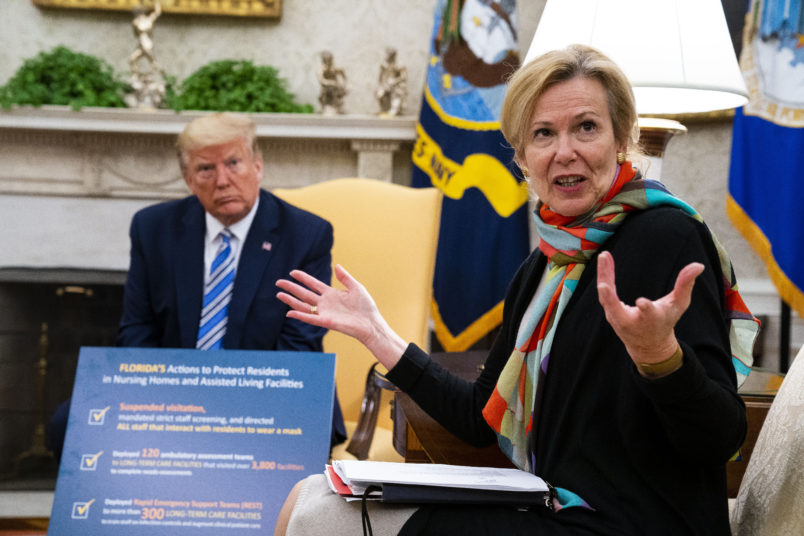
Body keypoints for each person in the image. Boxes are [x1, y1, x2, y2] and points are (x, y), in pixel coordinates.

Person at [273, 45, 758, 535]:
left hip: (639, 525)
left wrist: (661, 356)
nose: (564, 150)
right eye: (543, 134)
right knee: (310, 495)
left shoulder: (667, 237)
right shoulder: (543, 266)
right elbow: (479, 418)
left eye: (586, 127)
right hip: (558, 512)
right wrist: (378, 333)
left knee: (320, 516)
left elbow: (721, 438)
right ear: (523, 156)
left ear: (621, 139)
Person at [117, 112, 346, 447]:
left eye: (233, 163)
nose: (222, 180)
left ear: (258, 166)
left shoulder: (306, 235)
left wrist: (229, 410)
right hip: (172, 397)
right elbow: (136, 330)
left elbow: (300, 343)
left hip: (273, 399)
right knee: (70, 421)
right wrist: (170, 401)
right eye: (206, 169)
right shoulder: (152, 228)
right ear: (188, 179)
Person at [375, 47, 407, 117]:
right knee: (379, 93)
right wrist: (382, 84)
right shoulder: (384, 64)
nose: (387, 56)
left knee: (398, 92)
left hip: (396, 85)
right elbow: (381, 76)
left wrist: (395, 81)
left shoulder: (400, 65)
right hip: (386, 84)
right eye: (387, 54)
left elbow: (404, 77)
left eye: (390, 54)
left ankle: (395, 109)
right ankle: (383, 110)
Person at [317, 51, 347, 115]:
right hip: (326, 89)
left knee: (336, 92)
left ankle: (338, 108)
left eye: (329, 60)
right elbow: (321, 80)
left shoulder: (335, 68)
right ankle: (324, 108)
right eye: (325, 61)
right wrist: (331, 82)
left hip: (335, 88)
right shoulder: (322, 69)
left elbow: (343, 74)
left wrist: (345, 84)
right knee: (325, 93)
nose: (328, 63)